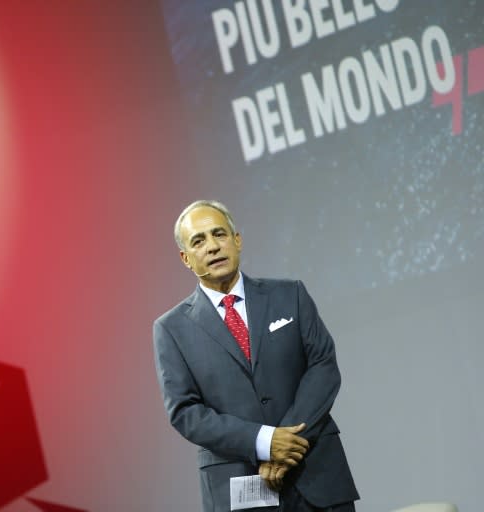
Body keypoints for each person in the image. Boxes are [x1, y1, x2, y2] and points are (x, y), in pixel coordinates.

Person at [153, 200, 359, 511]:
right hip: (243, 490)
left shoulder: (290, 294)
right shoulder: (171, 329)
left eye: (219, 234)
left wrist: (284, 444)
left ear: (237, 240)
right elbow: (185, 412)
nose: (212, 247)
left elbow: (322, 366)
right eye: (199, 241)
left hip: (317, 475)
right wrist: (262, 442)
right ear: (185, 258)